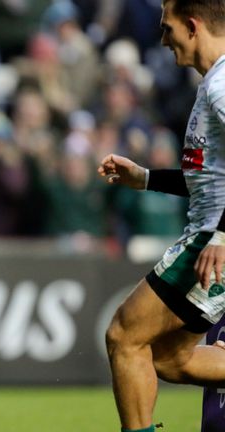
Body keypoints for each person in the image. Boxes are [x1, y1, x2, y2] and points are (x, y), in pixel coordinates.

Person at [98, 2, 225, 431]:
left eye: (167, 27)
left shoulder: (222, 85)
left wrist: (221, 236)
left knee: (123, 335)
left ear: (193, 26)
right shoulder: (213, 83)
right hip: (212, 236)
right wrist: (146, 178)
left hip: (212, 241)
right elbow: (209, 178)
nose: (163, 39)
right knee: (171, 359)